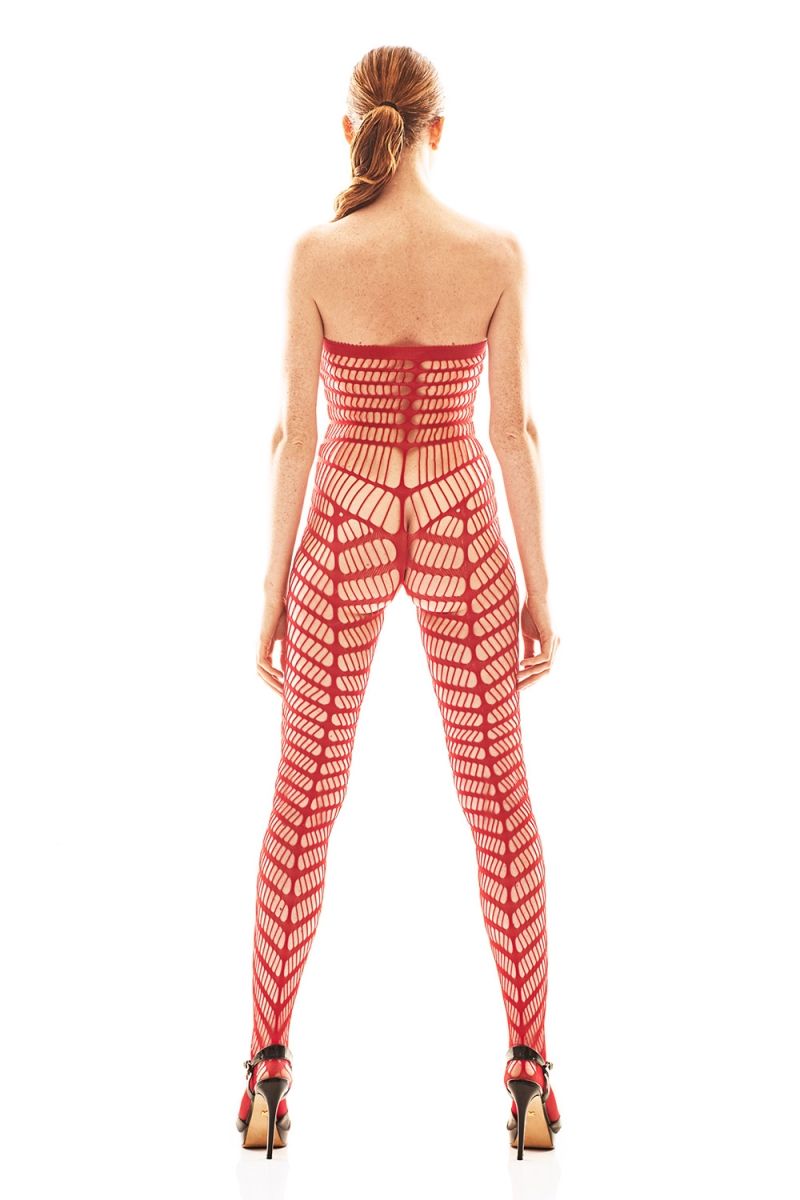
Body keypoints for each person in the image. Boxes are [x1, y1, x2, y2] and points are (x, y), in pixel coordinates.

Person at [236, 45, 561, 1160]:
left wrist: (272, 588)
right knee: (500, 803)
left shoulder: (317, 255)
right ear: (438, 130)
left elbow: (297, 436)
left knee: (303, 801)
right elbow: (512, 432)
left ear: (351, 132)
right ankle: (530, 1073)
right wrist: (540, 586)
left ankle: (266, 1074)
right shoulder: (495, 254)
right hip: (463, 517)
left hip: (347, 517)